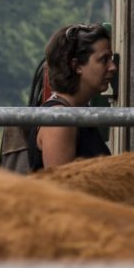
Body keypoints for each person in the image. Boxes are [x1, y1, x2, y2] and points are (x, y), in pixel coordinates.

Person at [30, 21, 114, 170]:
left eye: (111, 59)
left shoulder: (76, 111)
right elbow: (62, 190)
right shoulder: (60, 121)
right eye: (104, 60)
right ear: (77, 66)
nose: (113, 67)